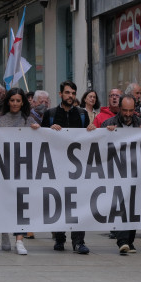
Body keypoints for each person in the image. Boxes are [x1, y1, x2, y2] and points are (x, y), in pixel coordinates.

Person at [42, 81, 94, 255]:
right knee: (58, 203)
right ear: (60, 94)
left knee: (78, 203)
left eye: (73, 93)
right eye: (67, 93)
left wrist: (92, 130)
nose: (70, 96)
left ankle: (79, 241)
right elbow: (40, 138)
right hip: (56, 167)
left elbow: (88, 136)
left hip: (76, 168)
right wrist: (50, 130)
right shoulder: (50, 114)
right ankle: (59, 237)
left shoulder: (81, 114)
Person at [0, 87, 40, 255]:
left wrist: (37, 130)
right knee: (5, 203)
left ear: (23, 102)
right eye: (12, 100)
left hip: (22, 169)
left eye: (18, 100)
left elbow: (41, 139)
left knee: (21, 205)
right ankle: (5, 233)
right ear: (8, 101)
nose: (15, 103)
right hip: (4, 169)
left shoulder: (29, 120)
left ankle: (20, 239)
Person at [100, 95, 141, 254]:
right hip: (116, 172)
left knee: (134, 206)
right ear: (119, 109)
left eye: (131, 111)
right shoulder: (108, 124)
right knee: (121, 205)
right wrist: (105, 133)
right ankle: (122, 240)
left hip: (136, 173)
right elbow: (98, 145)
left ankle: (130, 241)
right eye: (124, 111)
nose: (128, 114)